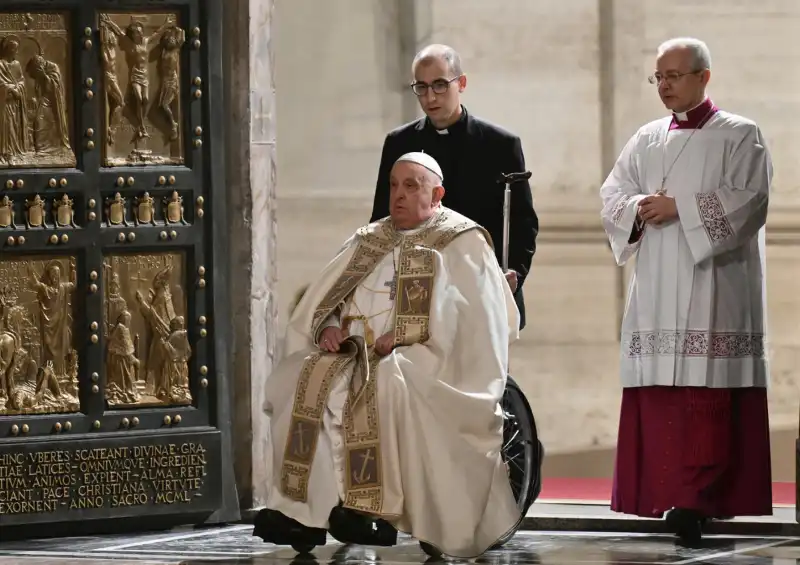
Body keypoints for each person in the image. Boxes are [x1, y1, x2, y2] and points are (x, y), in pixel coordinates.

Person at [254, 152, 521, 558]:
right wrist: (327, 324)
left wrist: (405, 335)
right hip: (351, 352)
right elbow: (327, 298)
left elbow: (475, 320)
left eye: (411, 186)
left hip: (425, 356)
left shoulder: (461, 241)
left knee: (385, 383)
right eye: (394, 185)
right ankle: (300, 513)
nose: (398, 195)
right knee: (302, 378)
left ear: (437, 194)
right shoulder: (370, 238)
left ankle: (369, 509)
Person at [600, 37, 772, 543]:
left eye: (675, 75)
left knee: (705, 400)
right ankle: (663, 494)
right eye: (659, 77)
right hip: (657, 285)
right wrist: (635, 209)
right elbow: (612, 193)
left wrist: (682, 209)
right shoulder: (646, 137)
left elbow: (749, 200)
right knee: (662, 398)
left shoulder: (741, 135)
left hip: (714, 286)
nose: (666, 85)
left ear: (704, 77)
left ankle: (700, 500)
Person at [370, 44, 538, 329]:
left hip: (483, 291)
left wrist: (514, 275)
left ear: (461, 83)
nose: (430, 97)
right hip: (417, 292)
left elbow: (523, 222)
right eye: (421, 87)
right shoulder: (400, 143)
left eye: (439, 85)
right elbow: (382, 217)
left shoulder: (500, 144)